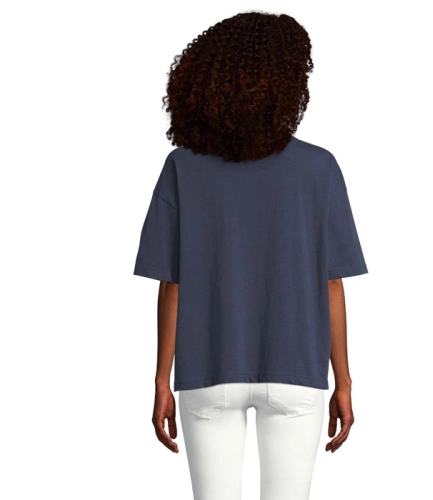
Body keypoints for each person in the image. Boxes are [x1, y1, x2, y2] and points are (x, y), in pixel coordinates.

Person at [133, 10, 368, 500]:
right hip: (297, 369)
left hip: (207, 368)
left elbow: (171, 284)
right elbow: (332, 283)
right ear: (288, 81)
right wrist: (343, 381)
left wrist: (161, 379)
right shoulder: (319, 168)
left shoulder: (182, 167)